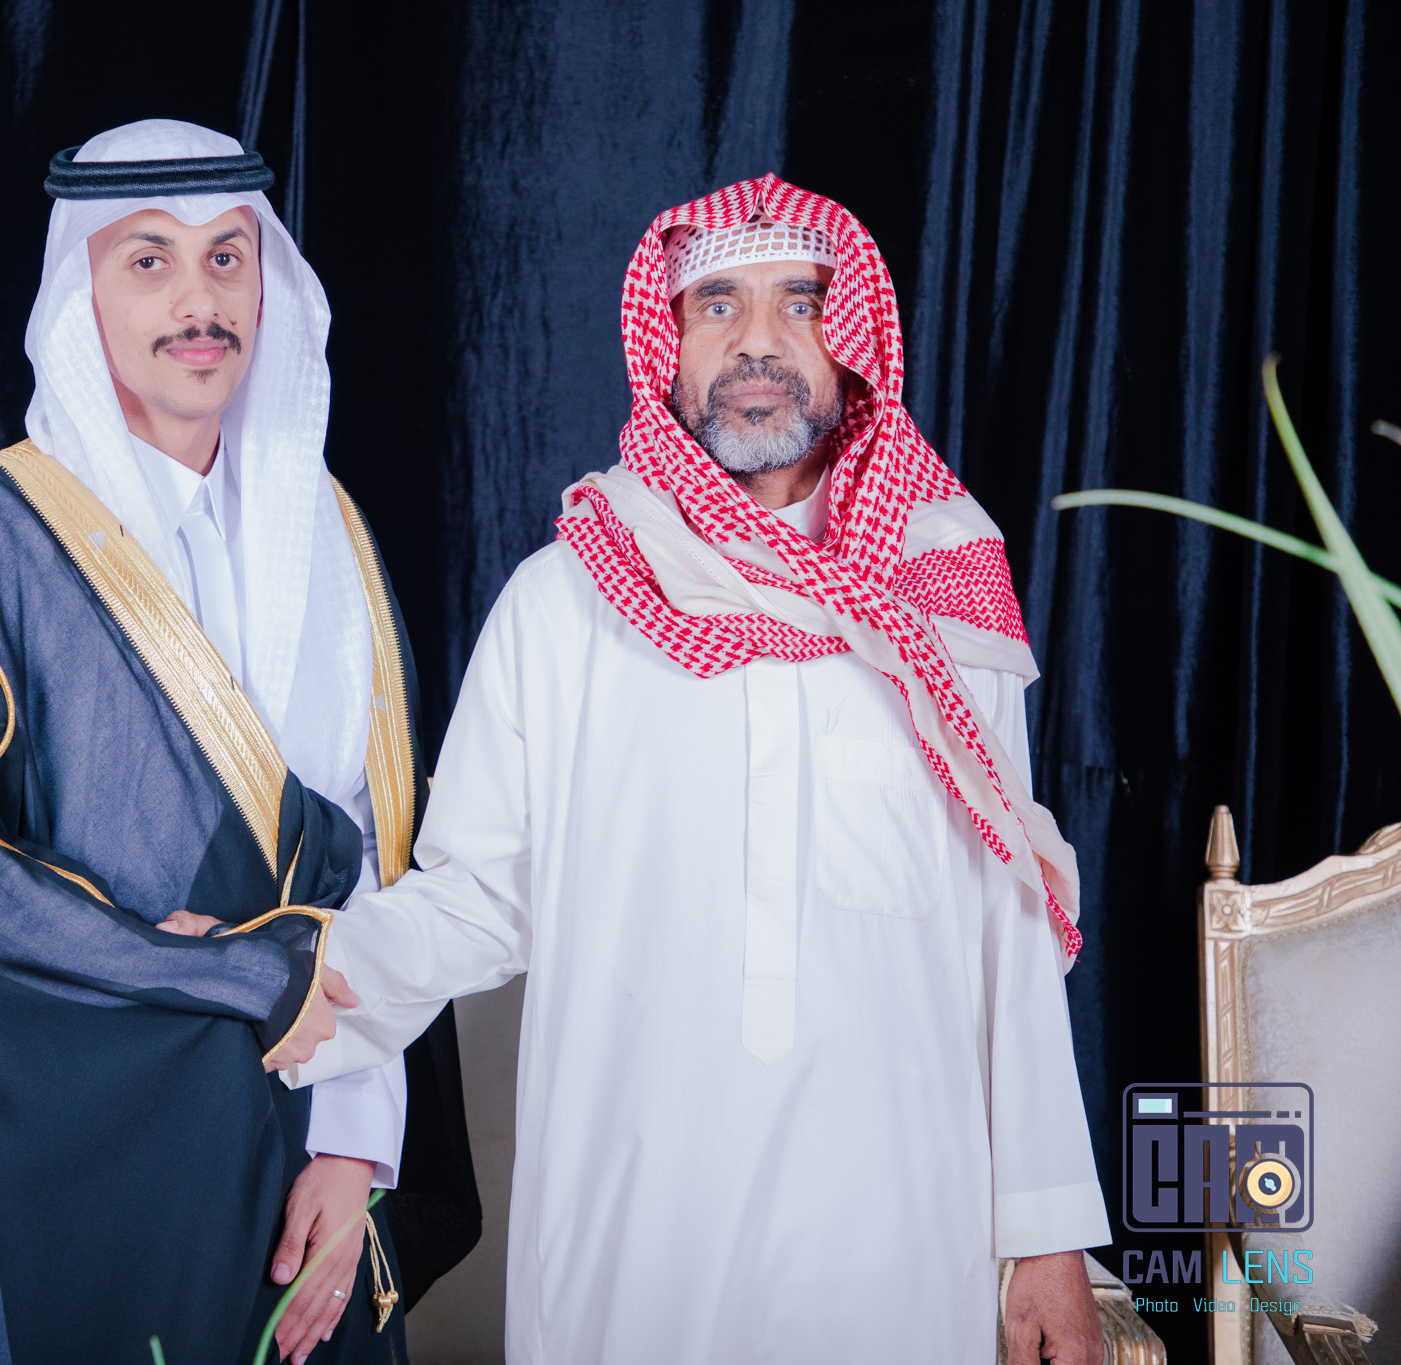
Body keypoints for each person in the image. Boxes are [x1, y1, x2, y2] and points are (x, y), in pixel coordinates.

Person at [282, 175, 1111, 1363]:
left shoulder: (942, 594)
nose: (756, 341)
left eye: (798, 302)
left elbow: (1007, 930)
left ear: (851, 343)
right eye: (715, 305)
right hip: (633, 1237)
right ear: (663, 343)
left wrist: (1045, 1239)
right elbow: (478, 899)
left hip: (892, 1241)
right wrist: (299, 976)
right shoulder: (565, 604)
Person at [0, 119, 477, 1365]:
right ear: (82, 291)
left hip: (300, 1137)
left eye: (227, 258)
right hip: (62, 1151)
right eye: (149, 260)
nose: (197, 302)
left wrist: (355, 1144)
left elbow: (373, 863)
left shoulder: (327, 535)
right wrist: (238, 976)